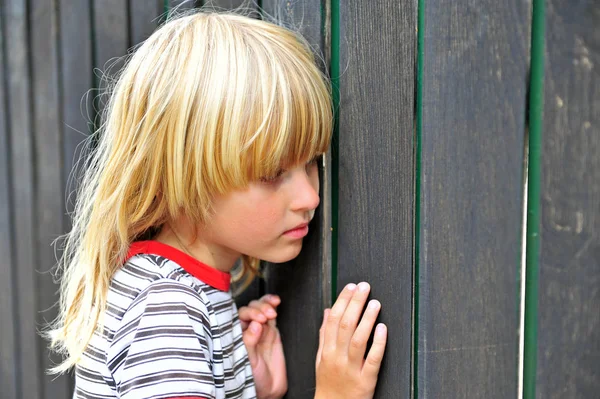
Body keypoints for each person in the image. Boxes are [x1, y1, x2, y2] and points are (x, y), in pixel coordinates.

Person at [47, 9, 387, 399]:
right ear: (184, 177)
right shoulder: (169, 313)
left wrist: (251, 388)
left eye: (311, 162)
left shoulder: (169, 289)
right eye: (273, 173)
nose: (310, 196)